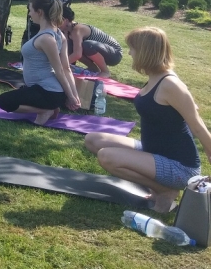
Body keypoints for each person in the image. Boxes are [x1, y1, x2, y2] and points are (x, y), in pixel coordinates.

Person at [85, 27, 211, 213]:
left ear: (145, 51)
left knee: (106, 157)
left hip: (179, 167)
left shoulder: (170, 84)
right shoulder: (155, 77)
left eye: (133, 48)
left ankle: (165, 190)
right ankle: (157, 185)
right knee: (93, 140)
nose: (129, 52)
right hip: (153, 150)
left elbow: (198, 126)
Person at [0, 0, 81, 125]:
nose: (29, 14)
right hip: (47, 91)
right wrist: (73, 96)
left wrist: (71, 97)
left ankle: (44, 111)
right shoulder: (58, 34)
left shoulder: (47, 39)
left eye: (30, 10)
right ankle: (50, 108)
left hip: (48, 92)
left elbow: (61, 69)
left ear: (39, 12)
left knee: (4, 101)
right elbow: (66, 68)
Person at [60, 7, 123, 77]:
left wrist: (60, 65)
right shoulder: (67, 31)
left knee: (87, 45)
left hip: (115, 54)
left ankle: (105, 71)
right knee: (74, 46)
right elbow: (68, 52)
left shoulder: (77, 30)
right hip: (103, 52)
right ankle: (93, 69)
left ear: (65, 20)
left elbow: (77, 54)